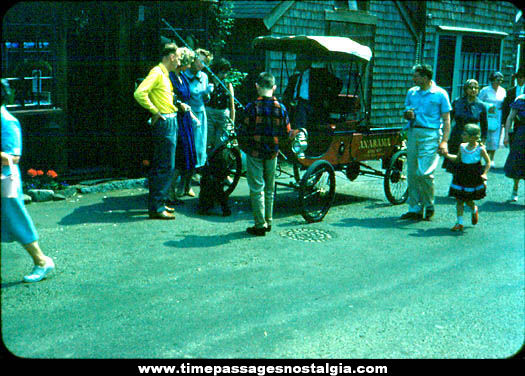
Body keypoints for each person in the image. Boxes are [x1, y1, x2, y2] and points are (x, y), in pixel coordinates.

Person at [1, 78, 55, 282]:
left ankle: (41, 261)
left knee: (15, 217)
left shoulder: (7, 121)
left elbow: (14, 157)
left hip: (5, 177)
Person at [237, 72, 298, 236]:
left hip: (255, 152)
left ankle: (259, 224)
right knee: (270, 188)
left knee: (257, 188)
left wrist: (246, 148)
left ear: (257, 86)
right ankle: (268, 221)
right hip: (272, 153)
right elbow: (286, 134)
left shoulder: (251, 107)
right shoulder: (281, 108)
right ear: (274, 87)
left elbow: (242, 132)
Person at [134, 44, 180, 219]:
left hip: (168, 120)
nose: (180, 61)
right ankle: (157, 208)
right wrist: (155, 111)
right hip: (165, 122)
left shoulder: (164, 74)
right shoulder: (157, 73)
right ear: (171, 57)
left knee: (163, 165)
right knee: (165, 166)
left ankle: (158, 204)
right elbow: (140, 93)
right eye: (178, 57)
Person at [401, 64, 451, 221]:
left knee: (425, 172)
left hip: (430, 134)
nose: (413, 79)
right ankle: (414, 208)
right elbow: (406, 111)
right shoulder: (412, 92)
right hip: (413, 132)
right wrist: (407, 114)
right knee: (412, 172)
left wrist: (444, 142)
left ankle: (429, 204)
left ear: (425, 77)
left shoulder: (440, 94)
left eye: (416, 76)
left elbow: (446, 119)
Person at [442, 123, 491, 231]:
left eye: (465, 134)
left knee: (468, 199)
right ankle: (459, 222)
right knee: (459, 199)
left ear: (473, 137)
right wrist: (446, 155)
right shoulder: (462, 146)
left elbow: (488, 162)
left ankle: (474, 209)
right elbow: (457, 159)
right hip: (461, 174)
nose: (462, 136)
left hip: (473, 175)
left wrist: (484, 173)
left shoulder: (480, 149)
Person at [282, 53, 342, 130]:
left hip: (313, 107)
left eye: (300, 60)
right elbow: (286, 95)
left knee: (300, 105)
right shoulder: (293, 78)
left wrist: (328, 98)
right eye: (297, 60)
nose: (297, 63)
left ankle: (300, 133)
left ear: (308, 62)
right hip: (294, 108)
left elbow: (338, 84)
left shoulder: (318, 75)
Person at [169, 47, 198, 199]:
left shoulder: (183, 77)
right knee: (180, 154)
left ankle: (186, 186)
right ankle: (171, 190)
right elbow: (170, 98)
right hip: (177, 119)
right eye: (189, 61)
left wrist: (193, 116)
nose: (191, 64)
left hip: (186, 119)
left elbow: (187, 100)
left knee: (190, 154)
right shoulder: (171, 77)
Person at [443, 79, 488, 174]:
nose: (474, 90)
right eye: (471, 87)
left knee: (470, 165)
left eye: (476, 88)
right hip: (457, 135)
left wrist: (483, 141)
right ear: (465, 89)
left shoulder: (481, 105)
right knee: (456, 165)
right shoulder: (457, 102)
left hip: (472, 137)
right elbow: (449, 120)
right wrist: (445, 138)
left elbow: (484, 125)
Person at [183, 48, 214, 172]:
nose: (202, 65)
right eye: (200, 61)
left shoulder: (204, 77)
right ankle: (186, 172)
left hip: (201, 113)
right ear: (193, 59)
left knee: (200, 144)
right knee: (188, 144)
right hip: (188, 113)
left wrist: (207, 94)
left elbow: (206, 100)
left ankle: (196, 171)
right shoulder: (184, 74)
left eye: (205, 63)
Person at [205, 58, 235, 149]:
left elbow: (232, 105)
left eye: (226, 72)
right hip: (209, 113)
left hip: (223, 114)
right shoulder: (208, 82)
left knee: (221, 142)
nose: (224, 75)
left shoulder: (227, 85)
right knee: (208, 140)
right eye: (222, 72)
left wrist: (232, 122)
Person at [479, 71, 506, 167]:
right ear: (492, 80)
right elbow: (479, 102)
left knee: (495, 138)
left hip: (498, 114)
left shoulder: (503, 90)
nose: (499, 82)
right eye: (497, 80)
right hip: (487, 115)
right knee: (486, 136)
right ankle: (483, 158)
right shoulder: (485, 90)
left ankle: (492, 159)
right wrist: (487, 106)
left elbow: (504, 104)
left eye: (501, 80)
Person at [503, 93, 525, 202]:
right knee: (518, 163)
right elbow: (510, 118)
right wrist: (506, 135)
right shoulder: (521, 100)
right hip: (521, 135)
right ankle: (515, 189)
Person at [501, 68, 525, 135]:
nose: (519, 79)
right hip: (512, 120)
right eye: (517, 77)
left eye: (521, 77)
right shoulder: (510, 91)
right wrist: (504, 121)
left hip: (522, 121)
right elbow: (505, 107)